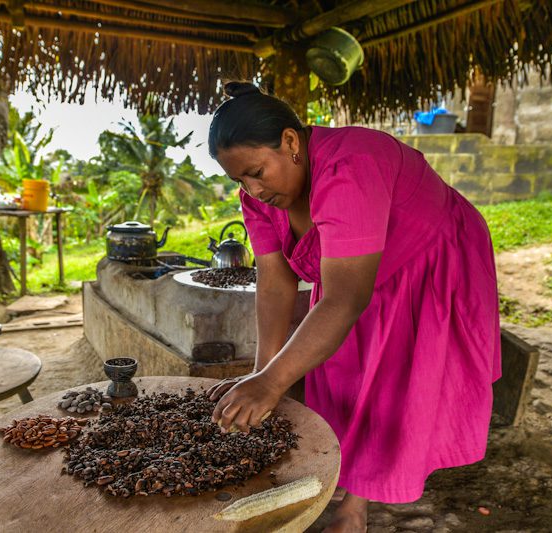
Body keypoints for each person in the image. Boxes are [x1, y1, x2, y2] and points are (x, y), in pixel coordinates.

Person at [206, 81, 501, 533]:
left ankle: (355, 506)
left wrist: (273, 382)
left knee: (394, 377)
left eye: (257, 171)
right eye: (239, 179)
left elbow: (346, 297)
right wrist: (266, 375)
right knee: (340, 370)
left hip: (428, 256)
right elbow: (273, 285)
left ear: (290, 142)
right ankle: (353, 492)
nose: (251, 188)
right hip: (354, 275)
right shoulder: (258, 199)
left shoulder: (351, 164)